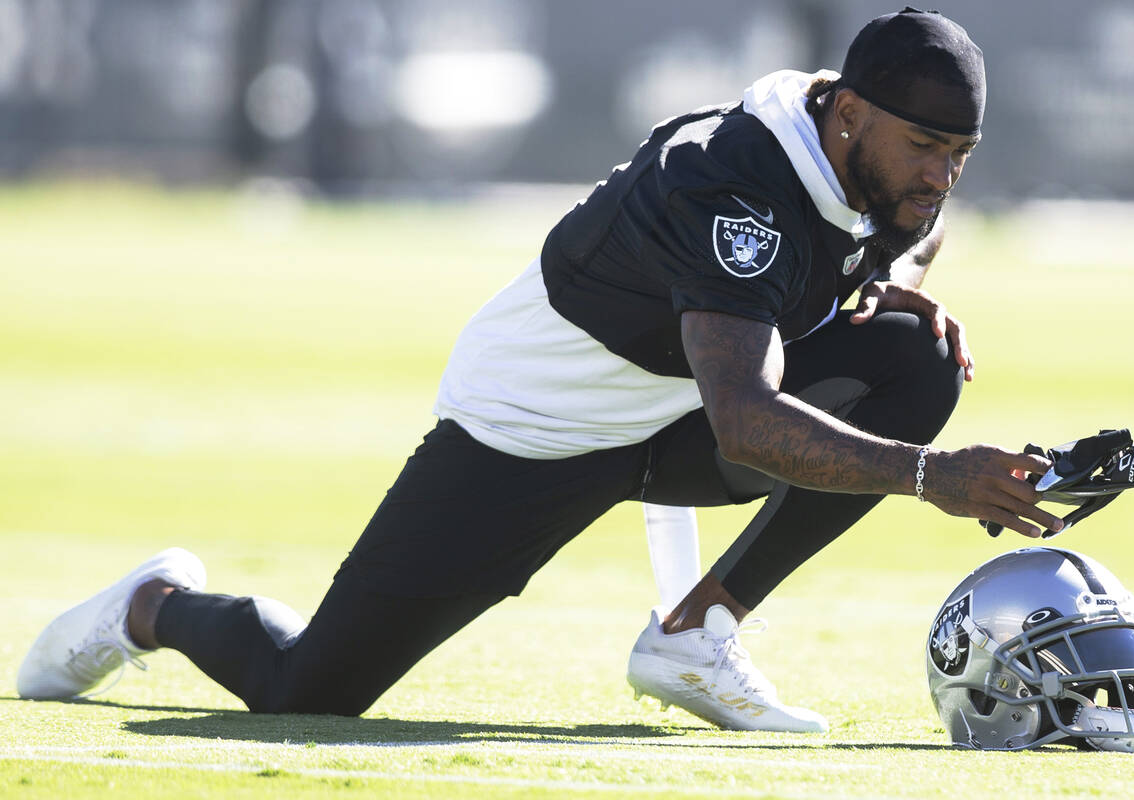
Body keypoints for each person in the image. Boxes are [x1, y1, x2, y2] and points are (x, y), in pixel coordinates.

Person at [18, 8, 1064, 733]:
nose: (941, 176)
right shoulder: (733, 187)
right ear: (848, 114)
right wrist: (935, 476)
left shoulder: (872, 162)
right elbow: (747, 422)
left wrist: (889, 282)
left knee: (918, 358)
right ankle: (152, 602)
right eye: (926, 146)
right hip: (532, 427)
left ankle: (696, 633)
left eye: (959, 154)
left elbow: (901, 229)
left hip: (671, 410)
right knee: (311, 689)